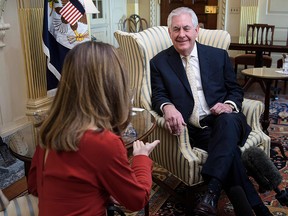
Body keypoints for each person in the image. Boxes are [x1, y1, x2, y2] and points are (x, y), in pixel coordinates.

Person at [150, 7, 272, 216]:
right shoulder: (159, 62)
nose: (181, 34)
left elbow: (234, 90)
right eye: (176, 29)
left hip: (227, 120)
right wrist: (167, 106)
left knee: (226, 121)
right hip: (197, 129)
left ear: (197, 30)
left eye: (186, 28)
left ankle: (212, 192)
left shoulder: (218, 56)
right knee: (229, 154)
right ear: (169, 32)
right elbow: (158, 95)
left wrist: (229, 105)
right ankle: (255, 209)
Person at [28, 41, 160, 216]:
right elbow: (136, 200)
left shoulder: (50, 128)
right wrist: (141, 158)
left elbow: (35, 187)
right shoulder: (103, 142)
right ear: (112, 86)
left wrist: (96, 192)